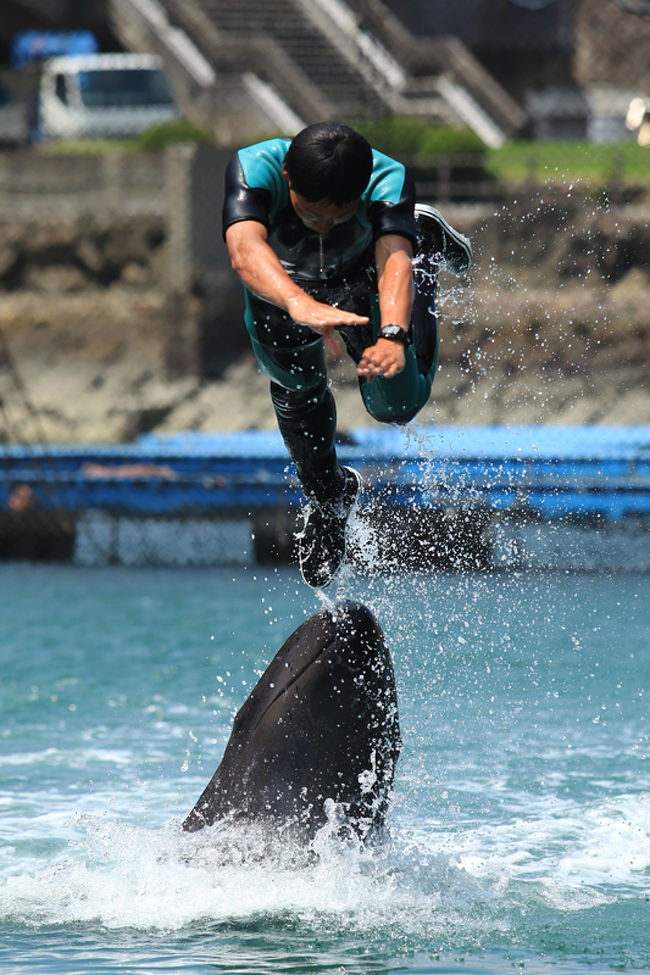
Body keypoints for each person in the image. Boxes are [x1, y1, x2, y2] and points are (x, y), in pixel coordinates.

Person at [223, 121, 471, 588]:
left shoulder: (385, 178)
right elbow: (244, 249)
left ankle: (425, 237)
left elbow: (392, 257)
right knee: (294, 383)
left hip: (364, 277)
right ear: (288, 179)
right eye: (311, 214)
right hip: (282, 287)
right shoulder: (255, 168)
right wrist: (297, 301)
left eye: (338, 216)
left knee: (396, 404)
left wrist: (394, 335)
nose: (323, 224)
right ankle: (330, 500)